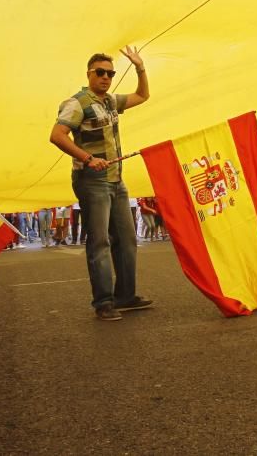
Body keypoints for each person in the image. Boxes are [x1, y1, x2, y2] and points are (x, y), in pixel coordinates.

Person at [49, 47, 153, 321]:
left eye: (110, 73)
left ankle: (126, 296)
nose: (106, 77)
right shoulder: (77, 102)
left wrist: (140, 68)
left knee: (127, 239)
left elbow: (142, 95)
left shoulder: (110, 101)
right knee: (100, 242)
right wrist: (86, 158)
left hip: (116, 180)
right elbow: (57, 135)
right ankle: (104, 302)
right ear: (89, 74)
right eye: (101, 72)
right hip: (92, 181)